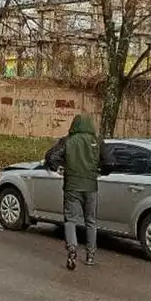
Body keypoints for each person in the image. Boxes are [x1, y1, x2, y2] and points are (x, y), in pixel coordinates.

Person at [44, 114, 114, 271]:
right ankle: (90, 255)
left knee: (70, 220)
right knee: (91, 221)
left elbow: (51, 156)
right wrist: (99, 171)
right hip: (91, 186)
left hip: (72, 186)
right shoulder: (97, 140)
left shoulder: (68, 140)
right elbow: (110, 162)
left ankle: (72, 249)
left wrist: (59, 167)